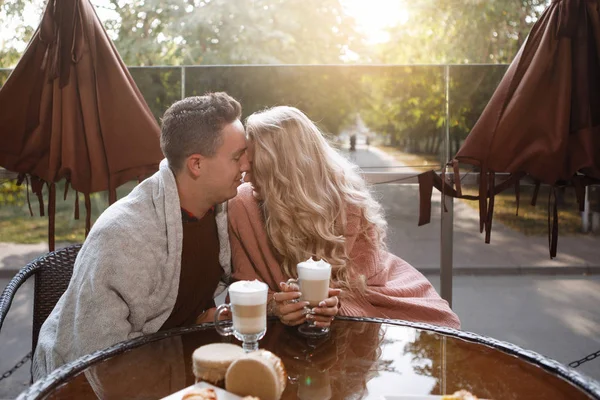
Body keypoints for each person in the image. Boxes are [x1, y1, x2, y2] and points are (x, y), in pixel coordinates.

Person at [33, 92, 250, 380]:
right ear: (196, 164)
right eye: (237, 157)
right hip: (82, 381)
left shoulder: (221, 212)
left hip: (175, 366)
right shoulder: (122, 235)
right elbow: (99, 359)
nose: (246, 165)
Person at [228, 106, 460, 329]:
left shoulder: (347, 200)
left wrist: (334, 304)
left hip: (368, 295)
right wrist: (274, 306)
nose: (245, 164)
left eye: (255, 154)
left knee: (438, 325)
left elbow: (363, 278)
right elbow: (243, 285)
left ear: (282, 166)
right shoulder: (240, 204)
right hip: (285, 325)